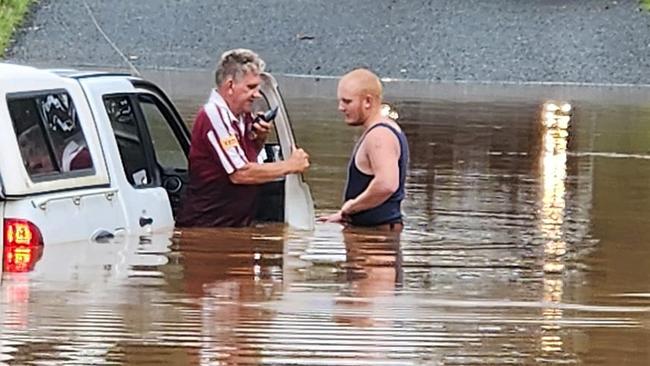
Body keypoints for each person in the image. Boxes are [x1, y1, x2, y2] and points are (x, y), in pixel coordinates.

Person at [176, 49, 310, 227]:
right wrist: (289, 166)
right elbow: (240, 173)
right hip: (209, 226)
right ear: (230, 86)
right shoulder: (214, 115)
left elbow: (244, 160)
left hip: (236, 224)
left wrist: (259, 139)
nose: (257, 94)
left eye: (258, 88)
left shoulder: (242, 116)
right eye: (251, 87)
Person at [319, 68, 409, 232]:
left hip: (377, 241)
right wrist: (343, 214)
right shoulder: (384, 129)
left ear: (367, 101)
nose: (340, 108)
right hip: (375, 233)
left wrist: (352, 207)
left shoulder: (379, 136)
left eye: (347, 102)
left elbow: (387, 184)